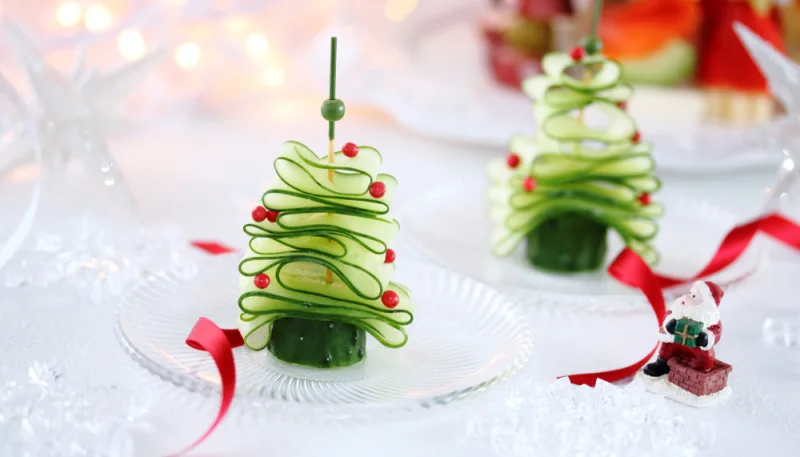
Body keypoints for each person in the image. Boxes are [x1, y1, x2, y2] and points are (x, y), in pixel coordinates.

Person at [643, 280, 724, 377]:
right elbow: (668, 314)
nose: (688, 297)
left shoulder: (710, 318)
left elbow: (716, 331)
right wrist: (670, 324)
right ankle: (662, 363)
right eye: (690, 293)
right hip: (675, 340)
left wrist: (706, 338)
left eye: (694, 296)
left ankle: (699, 370)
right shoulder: (680, 307)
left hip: (695, 347)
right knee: (668, 344)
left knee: (704, 354)